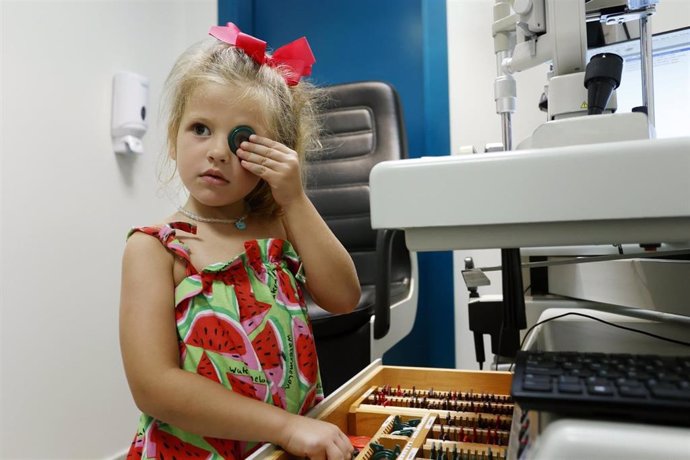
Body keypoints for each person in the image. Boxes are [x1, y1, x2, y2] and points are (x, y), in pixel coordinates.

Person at [119, 22, 360, 460]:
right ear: (173, 137)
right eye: (199, 129)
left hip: (287, 449)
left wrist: (295, 199)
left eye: (241, 139)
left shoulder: (280, 228)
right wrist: (286, 427)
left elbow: (344, 297)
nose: (217, 151)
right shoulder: (154, 249)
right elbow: (154, 387)